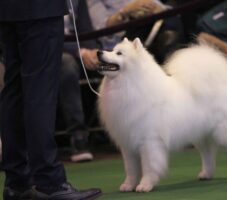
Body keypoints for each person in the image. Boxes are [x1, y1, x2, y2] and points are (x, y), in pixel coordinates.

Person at [0, 0, 102, 199]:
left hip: (6, 9)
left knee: (15, 90)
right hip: (40, 8)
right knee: (39, 92)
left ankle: (17, 182)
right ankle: (49, 181)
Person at [61, 0, 131, 162]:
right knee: (67, 66)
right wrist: (81, 51)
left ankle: (123, 131)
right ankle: (78, 137)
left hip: (79, 47)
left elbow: (85, 28)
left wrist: (93, 51)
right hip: (52, 50)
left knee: (109, 62)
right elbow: (48, 35)